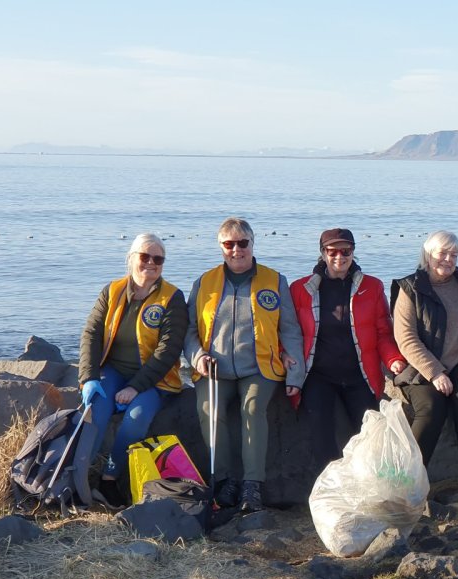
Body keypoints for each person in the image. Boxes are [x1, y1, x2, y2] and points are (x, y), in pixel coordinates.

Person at [185, 217, 305, 513]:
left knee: (252, 409)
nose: (236, 250)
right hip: (214, 370)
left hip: (259, 368)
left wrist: (296, 373)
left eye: (242, 243)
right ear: (221, 247)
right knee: (209, 411)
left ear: (253, 244)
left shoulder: (275, 280)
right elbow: (188, 330)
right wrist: (198, 356)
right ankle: (226, 482)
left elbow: (289, 328)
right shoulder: (204, 282)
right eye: (229, 244)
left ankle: (252, 486)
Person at [79, 233, 188, 507]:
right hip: (112, 371)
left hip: (154, 379)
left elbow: (168, 350)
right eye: (144, 256)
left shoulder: (172, 298)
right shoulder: (112, 291)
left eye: (158, 258)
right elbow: (91, 333)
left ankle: (108, 481)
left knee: (136, 419)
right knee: (97, 411)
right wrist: (88, 378)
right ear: (131, 259)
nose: (151, 263)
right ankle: (77, 478)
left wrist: (135, 387)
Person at [291, 228, 407, 475]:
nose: (339, 257)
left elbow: (383, 333)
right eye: (332, 251)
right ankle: (335, 485)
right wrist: (288, 366)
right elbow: (289, 333)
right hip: (318, 375)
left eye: (346, 251)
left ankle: (369, 485)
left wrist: (394, 359)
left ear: (353, 252)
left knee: (369, 431)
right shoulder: (300, 289)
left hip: (359, 374)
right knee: (320, 429)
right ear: (323, 253)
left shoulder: (372, 287)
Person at [392, 230, 458, 486]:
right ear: (428, 255)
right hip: (422, 364)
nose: (448, 259)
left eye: (453, 254)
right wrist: (435, 372)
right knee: (432, 409)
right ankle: (411, 477)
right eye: (442, 253)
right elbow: (406, 338)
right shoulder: (411, 288)